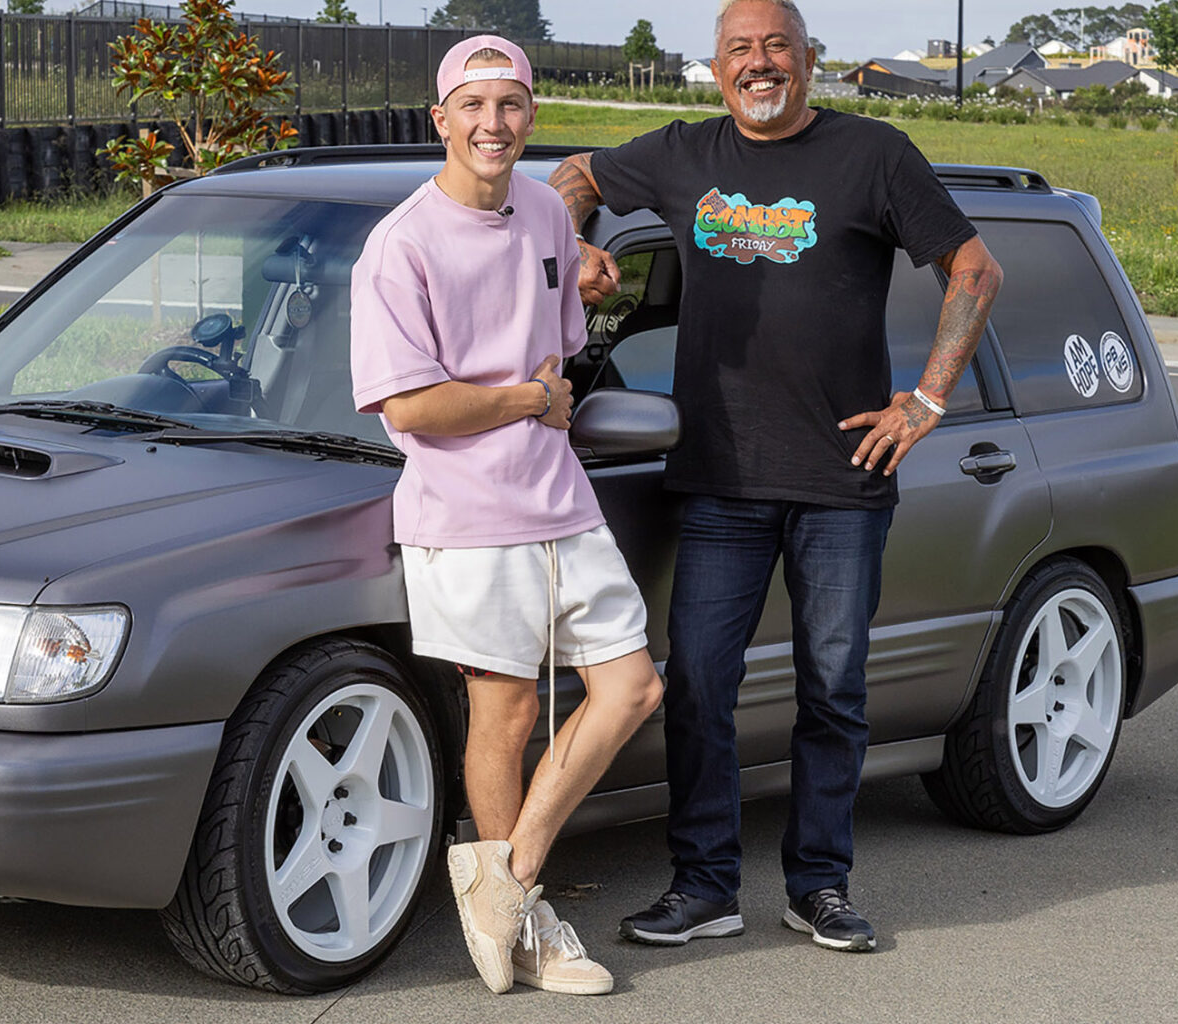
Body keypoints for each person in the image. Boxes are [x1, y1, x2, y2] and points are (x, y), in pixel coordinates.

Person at [548, 0, 1003, 953]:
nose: (759, 64)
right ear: (717, 68)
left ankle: (820, 886)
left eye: (776, 47)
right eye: (740, 50)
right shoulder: (681, 153)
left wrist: (925, 400)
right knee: (700, 687)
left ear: (809, 58)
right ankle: (704, 887)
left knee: (832, 690)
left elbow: (974, 269)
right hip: (719, 480)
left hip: (843, 480)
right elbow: (577, 175)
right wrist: (569, 243)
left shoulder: (873, 153)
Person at [349, 35, 666, 995]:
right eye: (474, 106)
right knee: (509, 710)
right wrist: (530, 400)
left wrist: (563, 345)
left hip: (559, 497)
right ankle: (525, 932)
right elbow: (413, 407)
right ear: (441, 120)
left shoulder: (543, 212)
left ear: (531, 115)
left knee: (632, 689)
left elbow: (556, 351)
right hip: (466, 512)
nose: (494, 124)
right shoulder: (401, 244)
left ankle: (509, 880)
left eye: (512, 104)